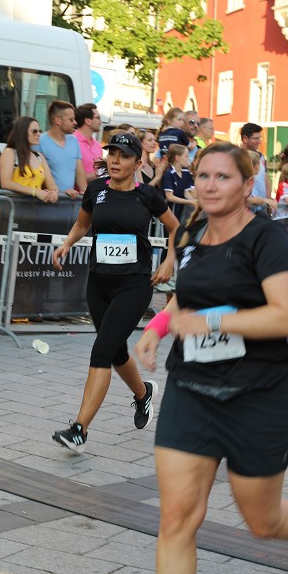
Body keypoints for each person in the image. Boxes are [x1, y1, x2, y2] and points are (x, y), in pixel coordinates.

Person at [128, 142, 288, 574]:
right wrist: (156, 330)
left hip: (256, 396)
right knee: (176, 518)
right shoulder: (189, 234)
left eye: (223, 177)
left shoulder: (269, 240)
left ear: (247, 185)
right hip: (192, 391)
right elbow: (185, 302)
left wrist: (214, 325)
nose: (210, 185)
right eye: (202, 176)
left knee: (261, 522)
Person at [51, 132, 179, 453]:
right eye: (111, 154)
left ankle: (79, 430)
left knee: (101, 352)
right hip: (99, 283)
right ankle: (142, 393)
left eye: (123, 156)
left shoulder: (148, 196)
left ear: (138, 162)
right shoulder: (96, 190)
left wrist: (169, 261)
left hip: (134, 284)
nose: (115, 160)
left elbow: (176, 228)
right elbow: (83, 224)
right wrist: (67, 243)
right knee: (116, 350)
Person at [0, 117, 58, 202]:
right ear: (23, 132)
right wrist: (34, 192)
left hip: (36, 209)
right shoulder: (10, 153)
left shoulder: (39, 156)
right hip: (14, 207)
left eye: (39, 131)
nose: (38, 134)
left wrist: (54, 192)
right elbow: (6, 183)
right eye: (34, 131)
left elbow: (51, 184)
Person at [38, 100, 85, 198]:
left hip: (68, 203)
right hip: (46, 203)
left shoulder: (74, 140)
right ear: (58, 120)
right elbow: (36, 176)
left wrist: (85, 195)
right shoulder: (40, 142)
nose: (75, 123)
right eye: (71, 119)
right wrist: (55, 192)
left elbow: (80, 173)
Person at [240, 122, 275, 214]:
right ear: (245, 139)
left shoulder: (261, 156)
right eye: (256, 138)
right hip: (245, 211)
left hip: (261, 209)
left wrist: (268, 202)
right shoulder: (236, 156)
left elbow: (266, 180)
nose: (259, 141)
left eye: (260, 138)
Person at [161, 143, 196, 221]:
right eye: (186, 156)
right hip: (170, 211)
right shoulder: (169, 173)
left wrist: (194, 202)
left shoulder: (186, 172)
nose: (189, 158)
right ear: (177, 158)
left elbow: (186, 192)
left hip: (180, 211)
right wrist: (189, 202)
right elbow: (170, 197)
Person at [74, 103, 104, 183]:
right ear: (88, 121)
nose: (100, 121)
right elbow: (72, 177)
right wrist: (101, 172)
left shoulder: (97, 145)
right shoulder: (72, 141)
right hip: (75, 194)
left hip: (93, 194)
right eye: (98, 118)